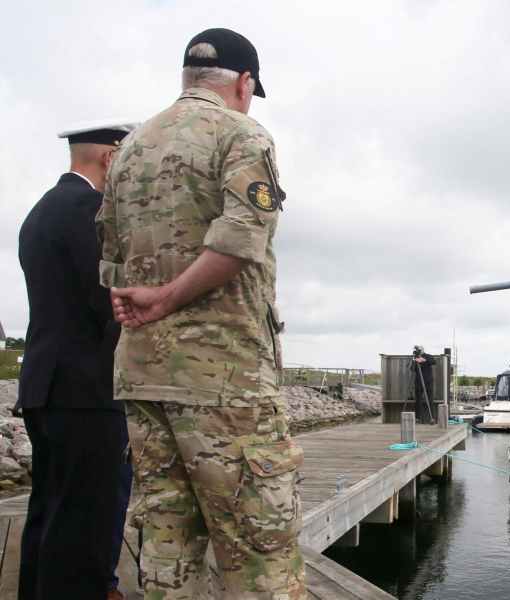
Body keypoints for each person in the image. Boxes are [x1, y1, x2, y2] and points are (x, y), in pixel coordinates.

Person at [95, 28, 305, 599]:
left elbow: (110, 260)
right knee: (259, 546)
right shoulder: (241, 133)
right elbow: (241, 237)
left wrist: (144, 299)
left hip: (144, 373)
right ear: (245, 82)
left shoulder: (130, 149)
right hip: (225, 377)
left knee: (166, 541)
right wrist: (168, 296)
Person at [17, 120, 138, 600]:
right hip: (87, 391)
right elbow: (107, 302)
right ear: (111, 158)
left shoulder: (42, 210)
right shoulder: (90, 211)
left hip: (46, 386)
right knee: (87, 520)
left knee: (47, 512)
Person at [410, 346, 437, 422]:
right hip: (418, 382)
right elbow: (412, 369)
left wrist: (423, 360)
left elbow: (434, 361)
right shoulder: (415, 358)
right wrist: (415, 361)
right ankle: (418, 418)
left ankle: (432, 418)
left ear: (422, 350)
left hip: (428, 381)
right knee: (418, 400)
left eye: (419, 350)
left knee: (430, 399)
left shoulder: (428, 356)